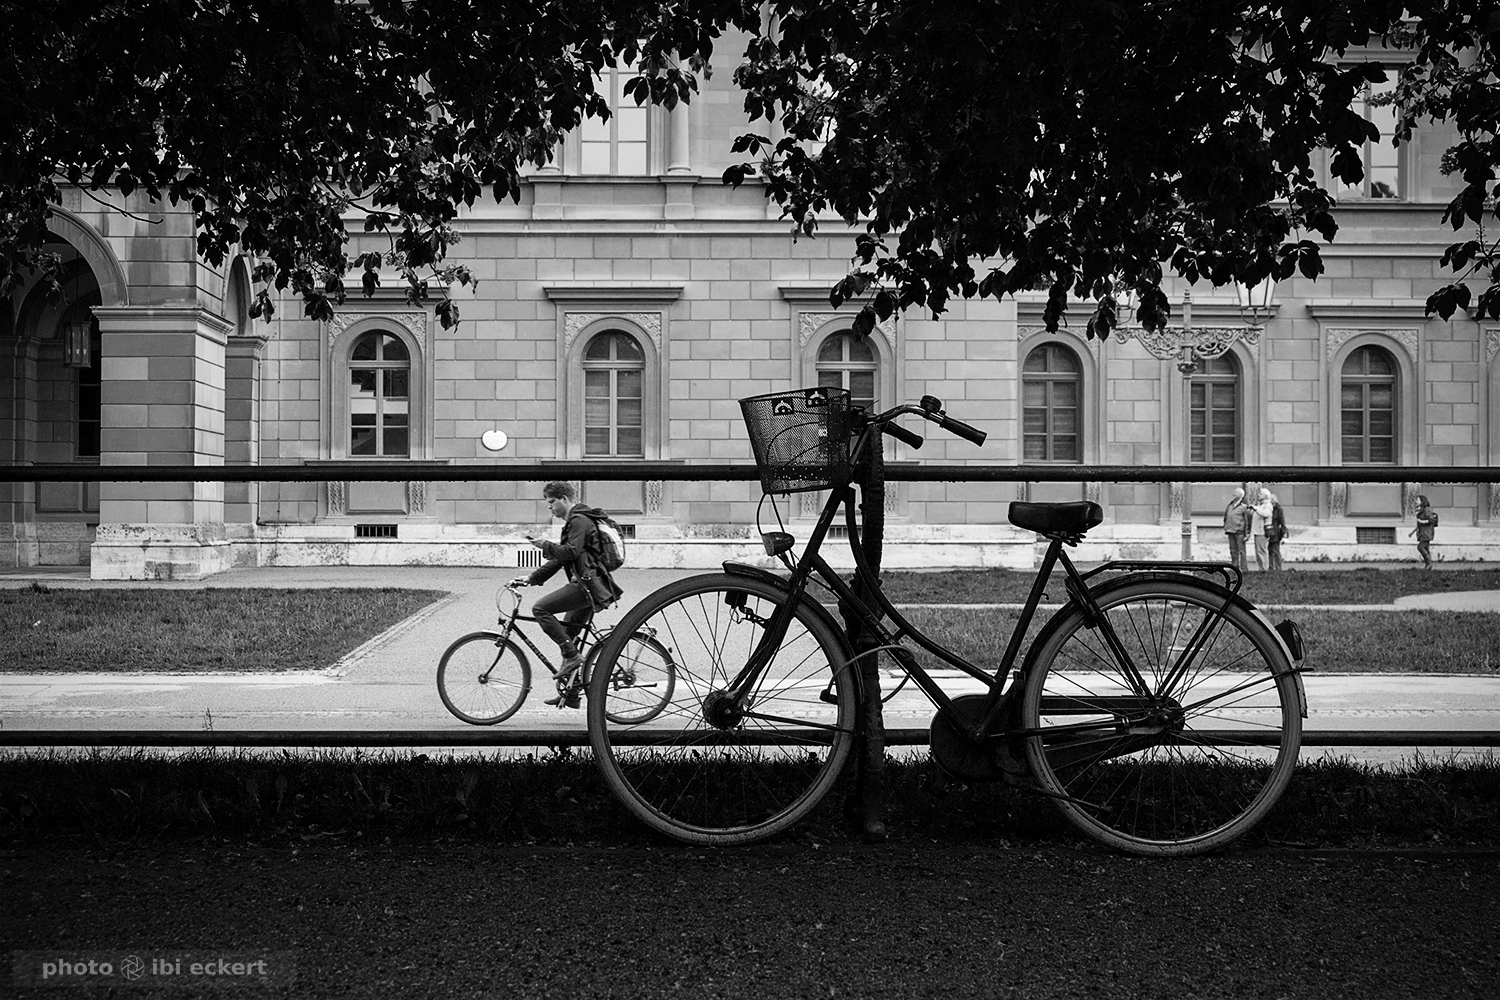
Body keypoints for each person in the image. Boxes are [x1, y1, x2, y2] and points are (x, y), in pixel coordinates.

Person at [509, 481, 624, 707]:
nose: (550, 508)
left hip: (587, 585)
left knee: (540, 609)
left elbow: (570, 552)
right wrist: (532, 578)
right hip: (587, 584)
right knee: (569, 636)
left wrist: (545, 545)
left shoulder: (579, 521)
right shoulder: (576, 521)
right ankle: (571, 693)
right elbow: (562, 558)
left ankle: (572, 658)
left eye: (552, 502)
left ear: (564, 498)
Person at [1223, 487, 1250, 572]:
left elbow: (1248, 520)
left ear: (1240, 495)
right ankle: (1234, 567)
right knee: (1233, 550)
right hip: (1230, 530)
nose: (1233, 494)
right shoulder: (1230, 505)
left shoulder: (1244, 506)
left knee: (1241, 550)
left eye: (1236, 493)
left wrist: (1247, 533)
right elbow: (1226, 516)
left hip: (1239, 531)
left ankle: (1244, 568)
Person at [1410, 495, 1438, 570]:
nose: (1416, 501)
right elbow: (1418, 525)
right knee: (1426, 548)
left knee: (1420, 547)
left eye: (1417, 500)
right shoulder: (1421, 511)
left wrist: (1422, 521)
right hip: (1423, 533)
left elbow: (1431, 520)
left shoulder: (1426, 510)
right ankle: (1428, 565)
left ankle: (1429, 563)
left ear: (1422, 501)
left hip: (1427, 533)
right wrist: (1412, 532)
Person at [1249, 486, 1273, 571]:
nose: (1258, 495)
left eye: (1260, 494)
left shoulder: (1268, 505)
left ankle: (1264, 569)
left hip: (1262, 531)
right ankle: (1261, 568)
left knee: (1262, 551)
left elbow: (1266, 514)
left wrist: (1256, 509)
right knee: (1258, 551)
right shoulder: (1261, 505)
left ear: (1265, 495)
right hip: (1257, 531)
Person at [1265, 491, 1286, 572]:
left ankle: (1278, 567)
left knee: (1275, 550)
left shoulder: (1279, 509)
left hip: (1276, 532)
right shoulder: (1268, 508)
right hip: (1269, 531)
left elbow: (1282, 521)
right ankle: (1271, 567)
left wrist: (1284, 533)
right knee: (1270, 550)